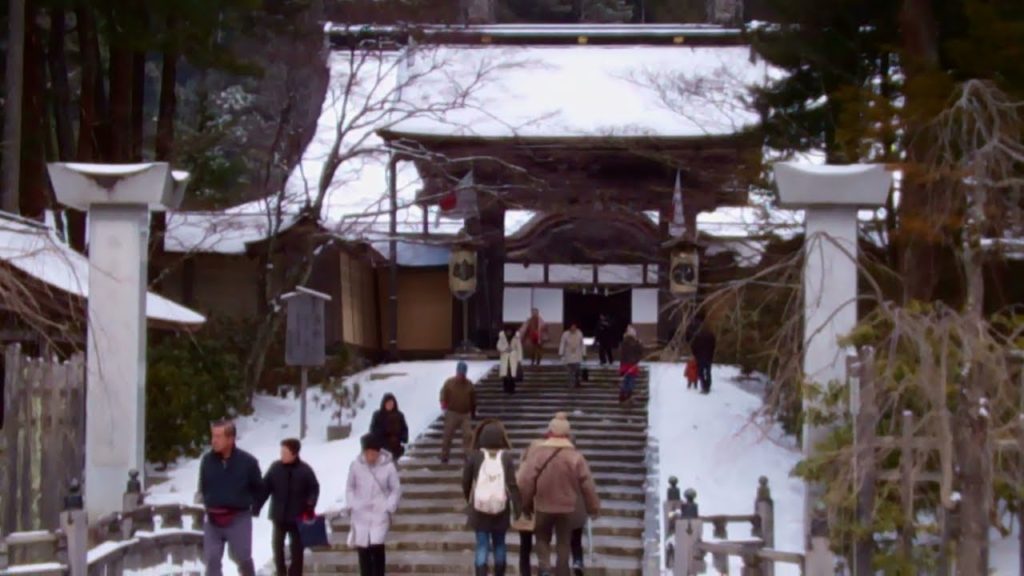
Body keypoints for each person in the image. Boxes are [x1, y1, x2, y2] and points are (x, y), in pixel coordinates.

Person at [517, 415, 601, 576]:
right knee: (564, 543)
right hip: (566, 508)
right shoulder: (575, 457)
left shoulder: (538, 455)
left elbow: (526, 480)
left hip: (542, 505)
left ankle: (545, 570)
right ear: (567, 434)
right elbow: (587, 485)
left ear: (550, 432)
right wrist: (593, 507)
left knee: (542, 538)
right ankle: (563, 572)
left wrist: (526, 504)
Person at [197, 420, 263, 576]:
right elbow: (203, 485)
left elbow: (259, 489)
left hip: (238, 517)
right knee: (212, 559)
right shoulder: (207, 461)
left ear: (231, 439)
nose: (214, 441)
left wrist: (254, 507)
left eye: (219, 436)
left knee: (242, 557)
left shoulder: (248, 463)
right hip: (213, 518)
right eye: (213, 436)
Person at [462, 419, 522, 576]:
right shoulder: (506, 457)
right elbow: (512, 484)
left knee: (482, 545)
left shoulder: (475, 457)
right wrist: (517, 507)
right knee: (500, 544)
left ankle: (481, 573)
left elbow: (466, 480)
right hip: (500, 510)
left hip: (479, 508)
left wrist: (468, 497)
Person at [257, 438, 320, 576]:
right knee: (277, 547)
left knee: (297, 550)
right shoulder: (275, 468)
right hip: (279, 516)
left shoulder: (305, 470)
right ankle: (281, 572)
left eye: (285, 452)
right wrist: (256, 505)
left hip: (298, 516)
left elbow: (314, 489)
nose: (282, 455)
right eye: (281, 451)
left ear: (294, 453)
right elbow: (265, 488)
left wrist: (310, 504)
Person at [346, 434, 401, 576]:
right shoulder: (356, 465)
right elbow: (350, 487)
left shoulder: (388, 466)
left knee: (377, 547)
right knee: (363, 550)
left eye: (374, 453)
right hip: (361, 514)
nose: (371, 456)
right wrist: (353, 503)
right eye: (368, 453)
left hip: (379, 513)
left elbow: (396, 488)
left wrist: (389, 505)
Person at [440, 361, 477, 464]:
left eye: (463, 374)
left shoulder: (469, 384)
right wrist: (443, 402)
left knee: (468, 435)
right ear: (456, 372)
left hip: (465, 414)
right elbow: (443, 393)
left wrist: (473, 411)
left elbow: (473, 398)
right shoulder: (449, 383)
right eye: (459, 373)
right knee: (447, 435)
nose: (461, 376)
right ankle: (444, 455)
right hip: (452, 413)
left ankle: (468, 455)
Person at [369, 393, 409, 462]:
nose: (390, 405)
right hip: (382, 449)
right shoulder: (378, 415)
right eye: (388, 403)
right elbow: (373, 430)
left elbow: (404, 429)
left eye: (391, 403)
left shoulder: (399, 415)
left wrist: (403, 437)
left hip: (396, 448)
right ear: (384, 403)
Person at [618, 325, 644, 405]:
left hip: (627, 366)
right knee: (630, 382)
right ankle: (626, 396)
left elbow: (623, 355)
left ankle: (623, 396)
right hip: (630, 365)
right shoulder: (631, 342)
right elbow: (640, 353)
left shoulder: (625, 342)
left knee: (627, 381)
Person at [690, 324, 717, 394]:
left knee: (700, 372)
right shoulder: (711, 336)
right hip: (709, 357)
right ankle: (708, 385)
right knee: (708, 372)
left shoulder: (697, 336)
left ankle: (704, 385)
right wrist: (711, 354)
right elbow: (713, 346)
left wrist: (695, 355)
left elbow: (693, 346)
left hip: (700, 357)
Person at [558, 322, 586, 389]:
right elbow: (562, 343)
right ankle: (571, 384)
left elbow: (582, 344)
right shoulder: (565, 334)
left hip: (577, 355)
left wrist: (584, 353)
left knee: (577, 371)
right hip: (569, 355)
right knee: (570, 372)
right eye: (572, 327)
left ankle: (577, 383)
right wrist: (561, 352)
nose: (573, 328)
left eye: (574, 327)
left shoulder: (579, 333)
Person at [497, 329, 524, 394]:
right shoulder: (502, 337)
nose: (509, 332)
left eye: (510, 331)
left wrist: (519, 359)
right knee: (505, 375)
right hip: (505, 358)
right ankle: (505, 389)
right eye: (507, 331)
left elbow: (519, 348)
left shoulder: (516, 337)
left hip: (513, 358)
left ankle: (512, 389)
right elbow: (498, 346)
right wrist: (505, 349)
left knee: (512, 375)